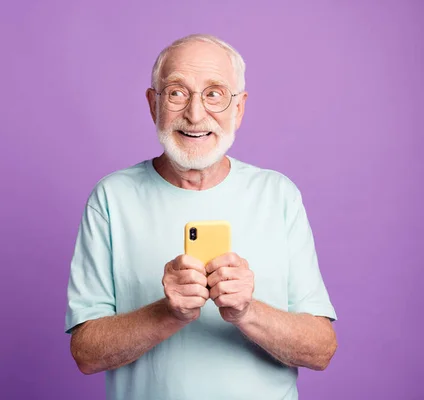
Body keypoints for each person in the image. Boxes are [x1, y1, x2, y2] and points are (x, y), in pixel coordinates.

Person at [65, 33, 337, 400]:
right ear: (153, 104)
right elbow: (86, 353)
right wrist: (168, 313)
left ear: (238, 109)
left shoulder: (278, 195)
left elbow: (321, 350)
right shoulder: (112, 198)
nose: (195, 114)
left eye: (214, 94)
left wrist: (246, 311)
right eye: (177, 92)